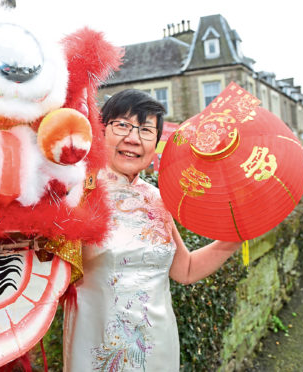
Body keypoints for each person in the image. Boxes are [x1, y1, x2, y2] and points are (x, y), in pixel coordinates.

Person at [63, 89, 242, 371]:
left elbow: (185, 270)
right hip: (98, 346)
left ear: (155, 144)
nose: (133, 138)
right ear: (100, 132)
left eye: (146, 130)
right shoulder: (76, 193)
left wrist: (231, 240)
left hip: (157, 344)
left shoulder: (158, 198)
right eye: (122, 125)